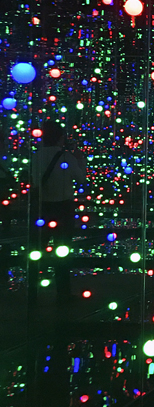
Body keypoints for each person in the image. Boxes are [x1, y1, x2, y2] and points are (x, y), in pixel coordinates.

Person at [30, 120, 87, 303]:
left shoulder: (36, 156)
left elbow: (33, 181)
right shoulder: (66, 157)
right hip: (63, 208)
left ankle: (32, 291)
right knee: (62, 250)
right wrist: (80, 160)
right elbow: (82, 179)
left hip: (42, 209)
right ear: (61, 138)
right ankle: (63, 292)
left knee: (37, 249)